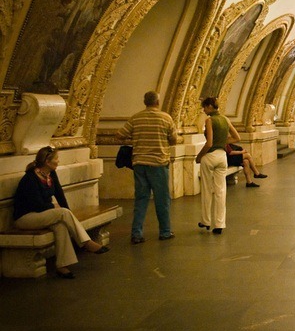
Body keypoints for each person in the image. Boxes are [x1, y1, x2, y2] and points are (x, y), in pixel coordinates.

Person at [13, 146, 109, 278]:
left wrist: (67, 211)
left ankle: (62, 265)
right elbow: (37, 205)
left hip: (42, 214)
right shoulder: (30, 178)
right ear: (47, 162)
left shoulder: (51, 174)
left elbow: (59, 194)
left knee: (60, 226)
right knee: (62, 213)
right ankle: (86, 243)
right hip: (25, 218)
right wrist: (56, 208)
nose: (58, 161)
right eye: (56, 158)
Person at [117, 90, 178, 244]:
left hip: (139, 164)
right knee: (162, 199)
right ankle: (165, 231)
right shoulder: (166, 118)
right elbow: (173, 140)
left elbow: (120, 135)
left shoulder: (136, 118)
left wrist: (136, 139)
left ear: (145, 102)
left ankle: (136, 233)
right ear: (158, 102)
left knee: (141, 199)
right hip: (158, 164)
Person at [195, 97, 240, 234]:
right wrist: (223, 142)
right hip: (222, 157)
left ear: (210, 106)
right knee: (221, 191)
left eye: (204, 107)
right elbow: (236, 137)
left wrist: (199, 156)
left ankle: (206, 221)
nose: (203, 110)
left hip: (210, 157)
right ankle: (220, 224)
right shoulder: (225, 119)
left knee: (207, 189)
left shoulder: (210, 120)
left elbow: (209, 143)